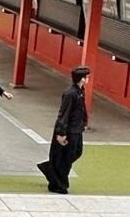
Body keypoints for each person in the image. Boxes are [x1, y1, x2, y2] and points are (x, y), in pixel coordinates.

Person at [39, 66, 91, 194]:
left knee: (76, 152)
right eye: (87, 77)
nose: (88, 79)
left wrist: (83, 122)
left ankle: (52, 170)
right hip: (69, 130)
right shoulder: (70, 93)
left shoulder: (80, 91)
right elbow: (64, 114)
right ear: (82, 79)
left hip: (77, 128)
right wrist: (61, 133)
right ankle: (58, 183)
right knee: (67, 156)